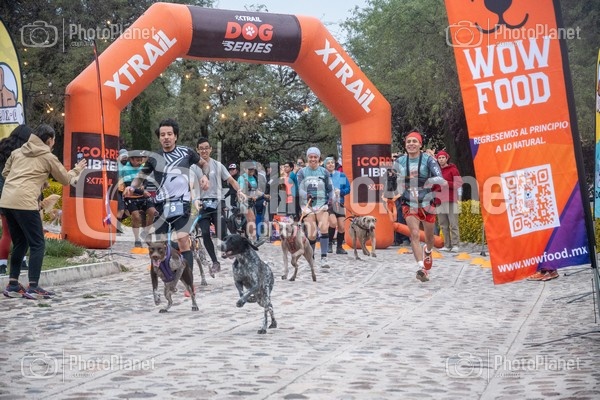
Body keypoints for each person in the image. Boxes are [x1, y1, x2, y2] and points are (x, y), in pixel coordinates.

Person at [1, 124, 86, 299]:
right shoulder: (48, 157)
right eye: (53, 140)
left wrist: (34, 180)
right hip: (25, 202)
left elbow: (6, 173)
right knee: (38, 243)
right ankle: (33, 287)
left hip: (7, 201)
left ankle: (13, 284)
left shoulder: (17, 152)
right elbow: (65, 179)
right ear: (49, 140)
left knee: (20, 242)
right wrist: (78, 169)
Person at [125, 119, 209, 280]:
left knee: (183, 241)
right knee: (160, 244)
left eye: (169, 134)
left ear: (175, 136)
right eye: (162, 135)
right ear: (159, 138)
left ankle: (188, 280)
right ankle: (167, 277)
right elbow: (140, 177)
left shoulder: (186, 152)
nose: (166, 137)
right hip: (162, 205)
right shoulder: (154, 158)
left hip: (182, 203)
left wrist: (204, 176)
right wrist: (132, 187)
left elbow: (204, 164)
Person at [392, 131, 446, 282]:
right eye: (408, 142)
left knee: (429, 238)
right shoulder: (400, 161)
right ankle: (422, 268)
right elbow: (393, 180)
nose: (411, 144)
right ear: (405, 145)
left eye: (414, 141)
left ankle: (427, 251)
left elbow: (441, 179)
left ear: (420, 145)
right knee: (414, 234)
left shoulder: (428, 160)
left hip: (427, 203)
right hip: (409, 203)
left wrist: (427, 182)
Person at [191, 137, 244, 274]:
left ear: (210, 149)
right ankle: (215, 262)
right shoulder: (193, 167)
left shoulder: (217, 165)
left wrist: (239, 191)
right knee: (205, 233)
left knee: (221, 233)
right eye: (201, 149)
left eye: (206, 148)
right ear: (197, 150)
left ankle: (234, 251)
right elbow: (191, 186)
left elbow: (231, 180)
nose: (204, 151)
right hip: (202, 204)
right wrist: (194, 199)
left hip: (217, 202)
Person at [0, 125, 33, 275]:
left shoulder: (2, 148)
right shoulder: (22, 154)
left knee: (7, 233)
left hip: (4, 197)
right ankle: (22, 262)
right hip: (18, 197)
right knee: (23, 234)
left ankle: (2, 265)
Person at [297, 146, 334, 267]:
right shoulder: (302, 172)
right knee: (312, 234)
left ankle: (324, 257)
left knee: (324, 228)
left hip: (322, 204)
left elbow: (330, 189)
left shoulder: (324, 172)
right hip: (308, 205)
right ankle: (311, 257)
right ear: (307, 158)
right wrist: (306, 195)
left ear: (319, 158)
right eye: (310, 157)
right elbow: (299, 189)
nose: (313, 159)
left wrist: (331, 199)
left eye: (315, 157)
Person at [119, 150, 157, 248]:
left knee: (153, 212)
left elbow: (145, 180)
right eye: (137, 160)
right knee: (136, 217)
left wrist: (144, 186)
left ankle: (146, 232)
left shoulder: (142, 167)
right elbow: (129, 186)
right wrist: (142, 191)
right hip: (131, 197)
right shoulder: (126, 169)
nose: (140, 162)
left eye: (141, 160)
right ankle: (137, 239)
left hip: (143, 196)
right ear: (131, 159)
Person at [435, 150, 463, 252]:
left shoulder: (453, 170)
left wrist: (447, 183)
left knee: (453, 223)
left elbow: (459, 183)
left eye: (443, 157)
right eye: (439, 158)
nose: (441, 160)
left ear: (447, 158)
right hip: (439, 200)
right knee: (443, 224)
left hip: (451, 199)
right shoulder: (436, 171)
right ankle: (447, 245)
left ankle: (455, 245)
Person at [324, 156, 350, 255]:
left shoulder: (341, 175)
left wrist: (341, 191)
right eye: (328, 163)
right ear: (325, 165)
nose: (330, 164)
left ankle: (339, 247)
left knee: (342, 226)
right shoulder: (324, 177)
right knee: (333, 222)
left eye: (332, 162)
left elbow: (348, 188)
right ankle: (329, 244)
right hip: (329, 204)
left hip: (339, 203)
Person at [237, 161, 268, 242]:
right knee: (251, 219)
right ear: (245, 169)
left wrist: (264, 195)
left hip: (251, 202)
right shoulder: (242, 178)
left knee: (251, 220)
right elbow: (241, 192)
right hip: (244, 202)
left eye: (253, 169)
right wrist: (249, 197)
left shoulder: (253, 178)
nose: (251, 171)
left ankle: (250, 238)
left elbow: (255, 190)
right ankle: (253, 239)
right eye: (249, 169)